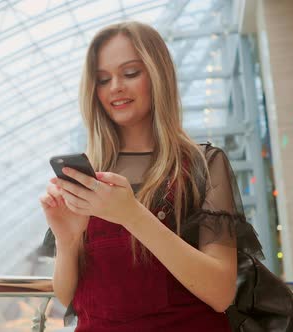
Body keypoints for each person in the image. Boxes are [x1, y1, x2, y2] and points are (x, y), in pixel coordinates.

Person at [39, 21, 263, 331]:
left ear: (158, 76)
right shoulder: (88, 176)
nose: (115, 86)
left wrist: (132, 215)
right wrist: (67, 240)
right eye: (103, 79)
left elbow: (220, 293)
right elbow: (71, 298)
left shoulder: (202, 165)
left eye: (130, 73)